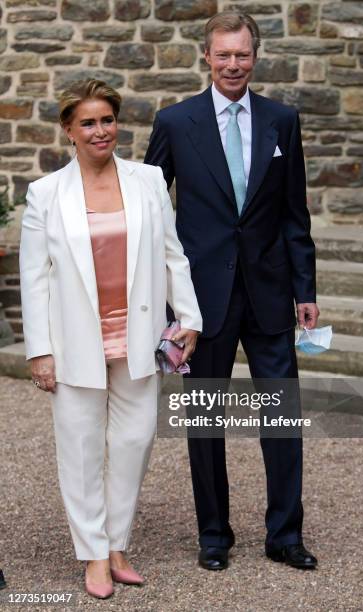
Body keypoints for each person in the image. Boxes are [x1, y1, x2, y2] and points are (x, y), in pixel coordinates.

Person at [145, 11, 319, 571]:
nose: (233, 65)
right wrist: (162, 295)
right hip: (201, 299)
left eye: (242, 55)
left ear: (255, 56)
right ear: (207, 57)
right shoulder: (175, 123)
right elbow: (152, 210)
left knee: (281, 418)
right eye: (223, 55)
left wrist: (305, 288)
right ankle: (214, 536)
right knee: (204, 421)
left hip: (270, 292)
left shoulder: (282, 121)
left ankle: (284, 536)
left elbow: (296, 212)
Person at [19, 79, 202, 599]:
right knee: (79, 448)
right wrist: (40, 351)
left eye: (107, 120)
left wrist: (188, 316)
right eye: (88, 123)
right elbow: (34, 277)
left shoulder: (146, 180)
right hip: (76, 340)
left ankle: (116, 541)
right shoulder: (46, 193)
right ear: (69, 131)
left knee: (134, 441)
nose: (101, 131)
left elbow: (173, 254)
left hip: (139, 335)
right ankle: (94, 555)